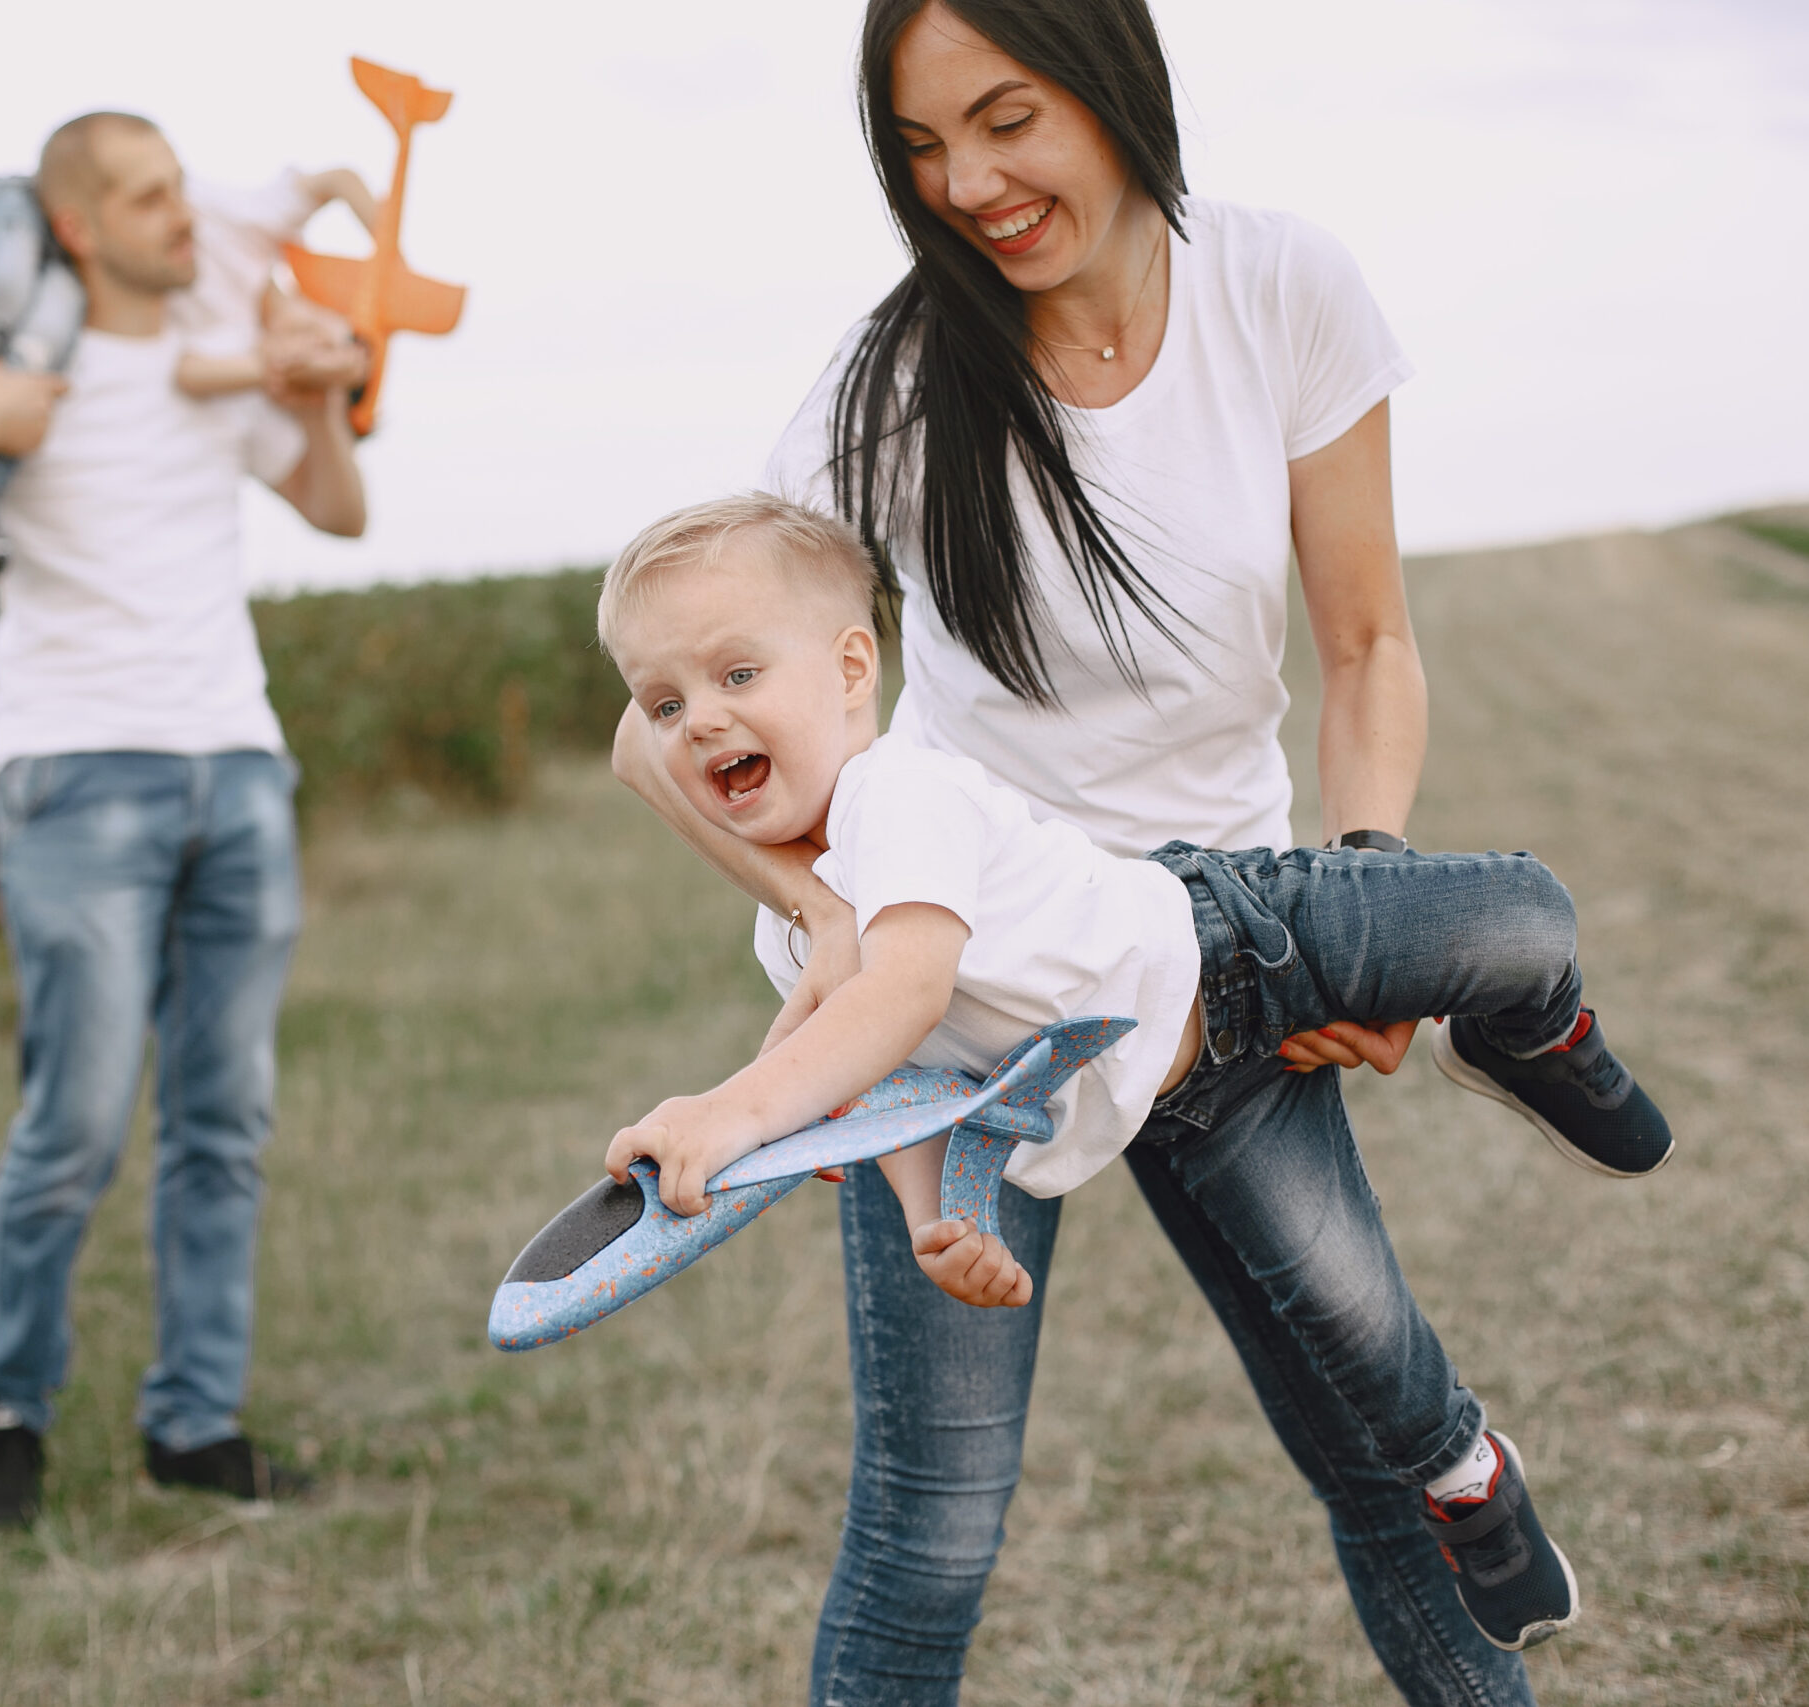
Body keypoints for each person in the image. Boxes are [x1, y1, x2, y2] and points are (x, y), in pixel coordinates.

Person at [605, 3, 1669, 1700]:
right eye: (923, 146)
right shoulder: (886, 387)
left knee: (1388, 1474)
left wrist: (1374, 902)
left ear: (1111, 81)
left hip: (1224, 966)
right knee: (925, 1539)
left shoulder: (1280, 291)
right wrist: (828, 909)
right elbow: (656, 719)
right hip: (958, 1003)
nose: (968, 182)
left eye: (1005, 118)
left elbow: (1369, 641)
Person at [596, 492, 1668, 1651]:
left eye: (735, 677)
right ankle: (1468, 1475)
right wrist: (931, 1215)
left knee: (1525, 923)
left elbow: (899, 996)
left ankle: (1538, 1036)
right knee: (1350, 1307)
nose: (699, 721)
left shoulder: (897, 795)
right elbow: (890, 1087)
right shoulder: (790, 932)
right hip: (1201, 1096)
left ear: (851, 667)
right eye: (665, 702)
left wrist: (730, 1109)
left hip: (1241, 940)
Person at [0, 110, 370, 1538]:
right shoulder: (23, 369)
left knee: (223, 1117)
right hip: (76, 776)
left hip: (237, 765)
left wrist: (315, 390)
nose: (181, 215)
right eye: (145, 197)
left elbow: (341, 511)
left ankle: (195, 1423)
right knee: (72, 1118)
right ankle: (8, 1409)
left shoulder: (219, 347)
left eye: (181, 187)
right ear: (76, 226)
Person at [0, 165, 377, 579]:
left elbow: (189, 374)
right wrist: (389, 249)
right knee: (3, 289)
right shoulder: (251, 228)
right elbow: (339, 179)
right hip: (28, 200)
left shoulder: (224, 353)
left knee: (33, 330)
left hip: (63, 261)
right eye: (333, 335)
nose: (316, 343)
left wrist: (313, 391)